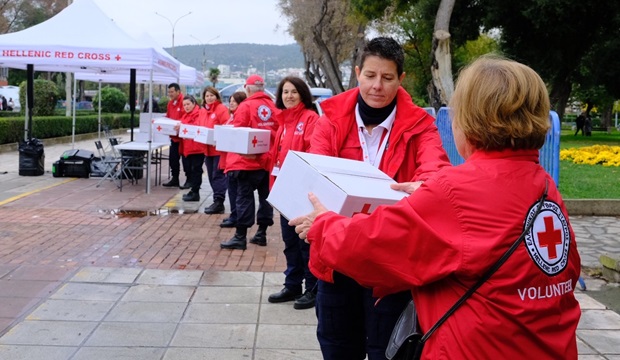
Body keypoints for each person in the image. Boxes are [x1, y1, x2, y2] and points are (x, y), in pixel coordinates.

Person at [291, 56, 581, 359]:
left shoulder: (456, 191)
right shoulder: (544, 185)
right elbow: (566, 268)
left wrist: (323, 225)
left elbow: (373, 244)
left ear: (470, 119)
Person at [299, 37, 451, 360]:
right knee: (337, 349)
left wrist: (425, 187)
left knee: (389, 353)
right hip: (336, 262)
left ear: (401, 79)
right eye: (370, 76)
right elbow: (315, 175)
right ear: (357, 73)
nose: (377, 86)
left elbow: (436, 168)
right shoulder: (330, 120)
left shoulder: (421, 126)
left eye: (387, 77)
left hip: (389, 265)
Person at [267, 76, 319, 310]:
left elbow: (314, 154)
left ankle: (312, 288)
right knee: (289, 241)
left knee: (305, 242)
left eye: (294, 92)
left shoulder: (310, 119)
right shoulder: (283, 122)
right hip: (284, 191)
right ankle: (292, 284)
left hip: (302, 192)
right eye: (285, 92)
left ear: (302, 94)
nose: (289, 96)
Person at [220, 75, 279, 250]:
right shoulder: (273, 106)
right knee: (265, 198)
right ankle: (262, 233)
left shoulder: (246, 106)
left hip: (248, 162)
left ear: (247, 88)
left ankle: (240, 236)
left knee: (244, 198)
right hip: (267, 161)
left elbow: (238, 133)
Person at [219, 91, 247, 228]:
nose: (231, 103)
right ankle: (234, 214)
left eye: (234, 101)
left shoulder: (239, 118)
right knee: (232, 190)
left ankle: (236, 216)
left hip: (236, 161)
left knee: (236, 191)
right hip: (228, 159)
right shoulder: (231, 117)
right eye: (230, 101)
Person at [202, 86, 231, 214]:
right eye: (207, 96)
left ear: (216, 96)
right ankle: (216, 200)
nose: (209, 98)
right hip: (207, 149)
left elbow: (227, 125)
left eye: (211, 95)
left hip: (218, 150)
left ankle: (219, 201)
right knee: (211, 176)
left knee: (218, 176)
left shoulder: (221, 109)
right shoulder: (203, 111)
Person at [175, 95, 207, 202]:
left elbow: (196, 127)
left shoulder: (199, 114)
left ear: (194, 103)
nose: (186, 107)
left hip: (197, 148)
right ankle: (193, 190)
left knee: (196, 170)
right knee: (191, 170)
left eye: (188, 104)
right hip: (188, 148)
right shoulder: (185, 115)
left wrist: (183, 127)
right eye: (184, 105)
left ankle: (195, 192)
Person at [162, 83, 190, 189]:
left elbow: (187, 116)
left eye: (172, 92)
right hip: (173, 137)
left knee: (186, 160)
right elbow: (168, 117)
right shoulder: (170, 103)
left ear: (178, 91)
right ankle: (175, 178)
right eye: (168, 92)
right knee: (173, 159)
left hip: (184, 138)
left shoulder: (185, 102)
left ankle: (189, 179)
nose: (170, 94)